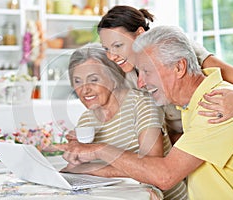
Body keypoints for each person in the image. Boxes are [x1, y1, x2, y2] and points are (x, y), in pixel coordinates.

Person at [57, 26, 233, 199]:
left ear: (179, 67)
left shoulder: (215, 103)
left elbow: (165, 176)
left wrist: (98, 150)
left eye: (147, 71)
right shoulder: (193, 102)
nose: (140, 83)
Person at [97, 5, 233, 144]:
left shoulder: (175, 48)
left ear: (140, 33)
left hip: (213, 131)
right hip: (182, 143)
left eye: (118, 46)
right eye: (106, 49)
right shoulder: (125, 79)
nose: (112, 56)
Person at [65, 43, 187, 200]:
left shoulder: (141, 103)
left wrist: (91, 168)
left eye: (93, 79)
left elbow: (152, 170)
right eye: (77, 81)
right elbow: (84, 169)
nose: (85, 90)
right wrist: (75, 158)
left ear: (114, 77)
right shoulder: (86, 119)